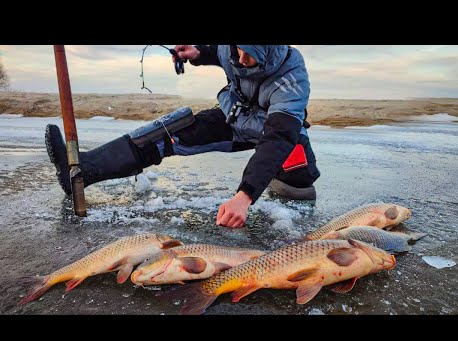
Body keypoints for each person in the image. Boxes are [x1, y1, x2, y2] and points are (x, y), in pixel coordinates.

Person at [45, 45, 320, 228]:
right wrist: (198, 52)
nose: (242, 59)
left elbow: (279, 136)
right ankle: (85, 169)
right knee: (168, 131)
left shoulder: (292, 77)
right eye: (239, 49)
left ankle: (285, 178)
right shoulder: (233, 49)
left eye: (251, 53)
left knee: (296, 190)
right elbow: (220, 52)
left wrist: (245, 195)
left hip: (279, 133)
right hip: (237, 118)